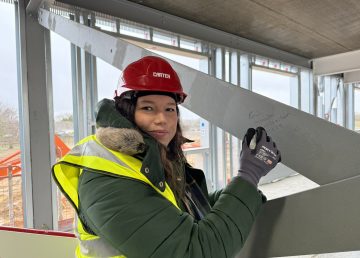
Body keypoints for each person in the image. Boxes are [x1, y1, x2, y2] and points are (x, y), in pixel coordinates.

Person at [52, 56, 281, 258]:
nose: (162, 119)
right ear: (126, 111)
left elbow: (182, 214)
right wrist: (248, 175)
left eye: (170, 109)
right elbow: (194, 251)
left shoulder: (151, 158)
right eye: (148, 108)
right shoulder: (107, 177)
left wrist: (243, 192)